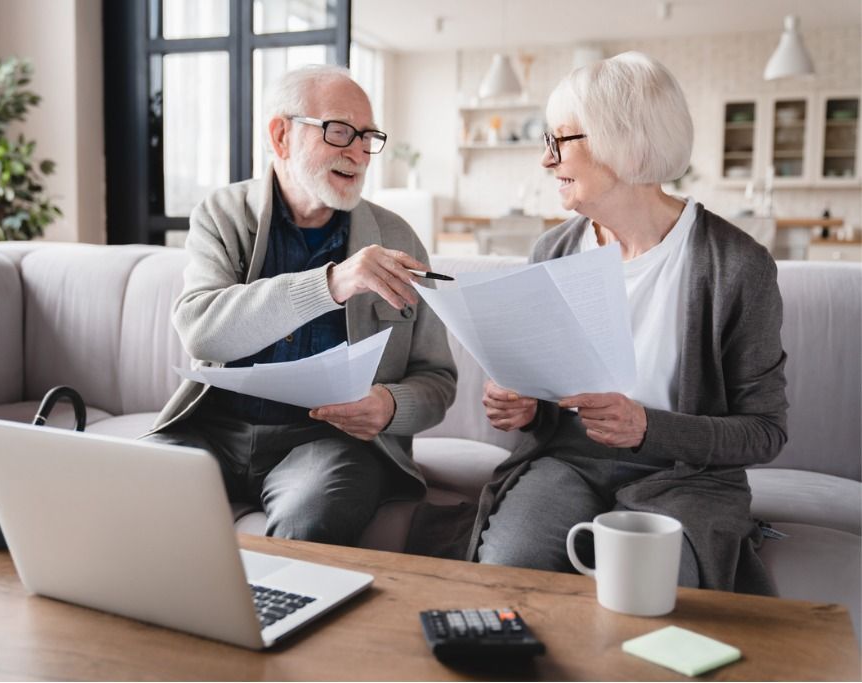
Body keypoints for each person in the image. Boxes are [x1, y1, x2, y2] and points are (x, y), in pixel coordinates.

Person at [469, 52, 787, 594]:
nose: (546, 162)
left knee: (646, 596)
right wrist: (522, 408)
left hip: (685, 477)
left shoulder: (737, 265)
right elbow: (544, 405)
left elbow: (764, 432)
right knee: (506, 573)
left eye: (560, 141)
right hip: (565, 464)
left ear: (628, 144)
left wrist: (649, 428)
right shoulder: (553, 251)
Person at [146, 64, 456, 547]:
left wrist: (390, 405)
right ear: (281, 135)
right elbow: (201, 332)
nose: (357, 151)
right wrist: (331, 283)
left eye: (367, 136)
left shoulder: (397, 238)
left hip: (328, 446)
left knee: (312, 518)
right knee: (128, 488)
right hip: (213, 430)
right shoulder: (222, 215)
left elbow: (438, 380)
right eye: (339, 132)